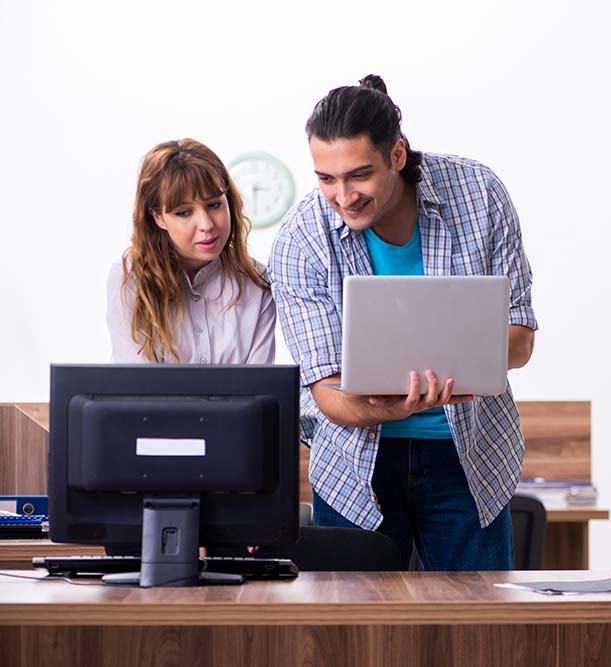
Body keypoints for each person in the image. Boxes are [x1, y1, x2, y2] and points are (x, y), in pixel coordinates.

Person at [268, 75, 537, 570]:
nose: (343, 196)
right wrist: (390, 409)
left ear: (396, 154)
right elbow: (327, 394)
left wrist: (457, 364)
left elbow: (519, 341)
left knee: (477, 617)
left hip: (468, 459)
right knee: (358, 620)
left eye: (359, 175)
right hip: (355, 469)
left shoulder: (479, 194)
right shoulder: (301, 239)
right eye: (326, 179)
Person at [107, 138, 275, 365]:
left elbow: (260, 384)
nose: (206, 225)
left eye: (214, 205)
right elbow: (135, 381)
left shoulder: (257, 282)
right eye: (184, 212)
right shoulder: (129, 278)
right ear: (158, 217)